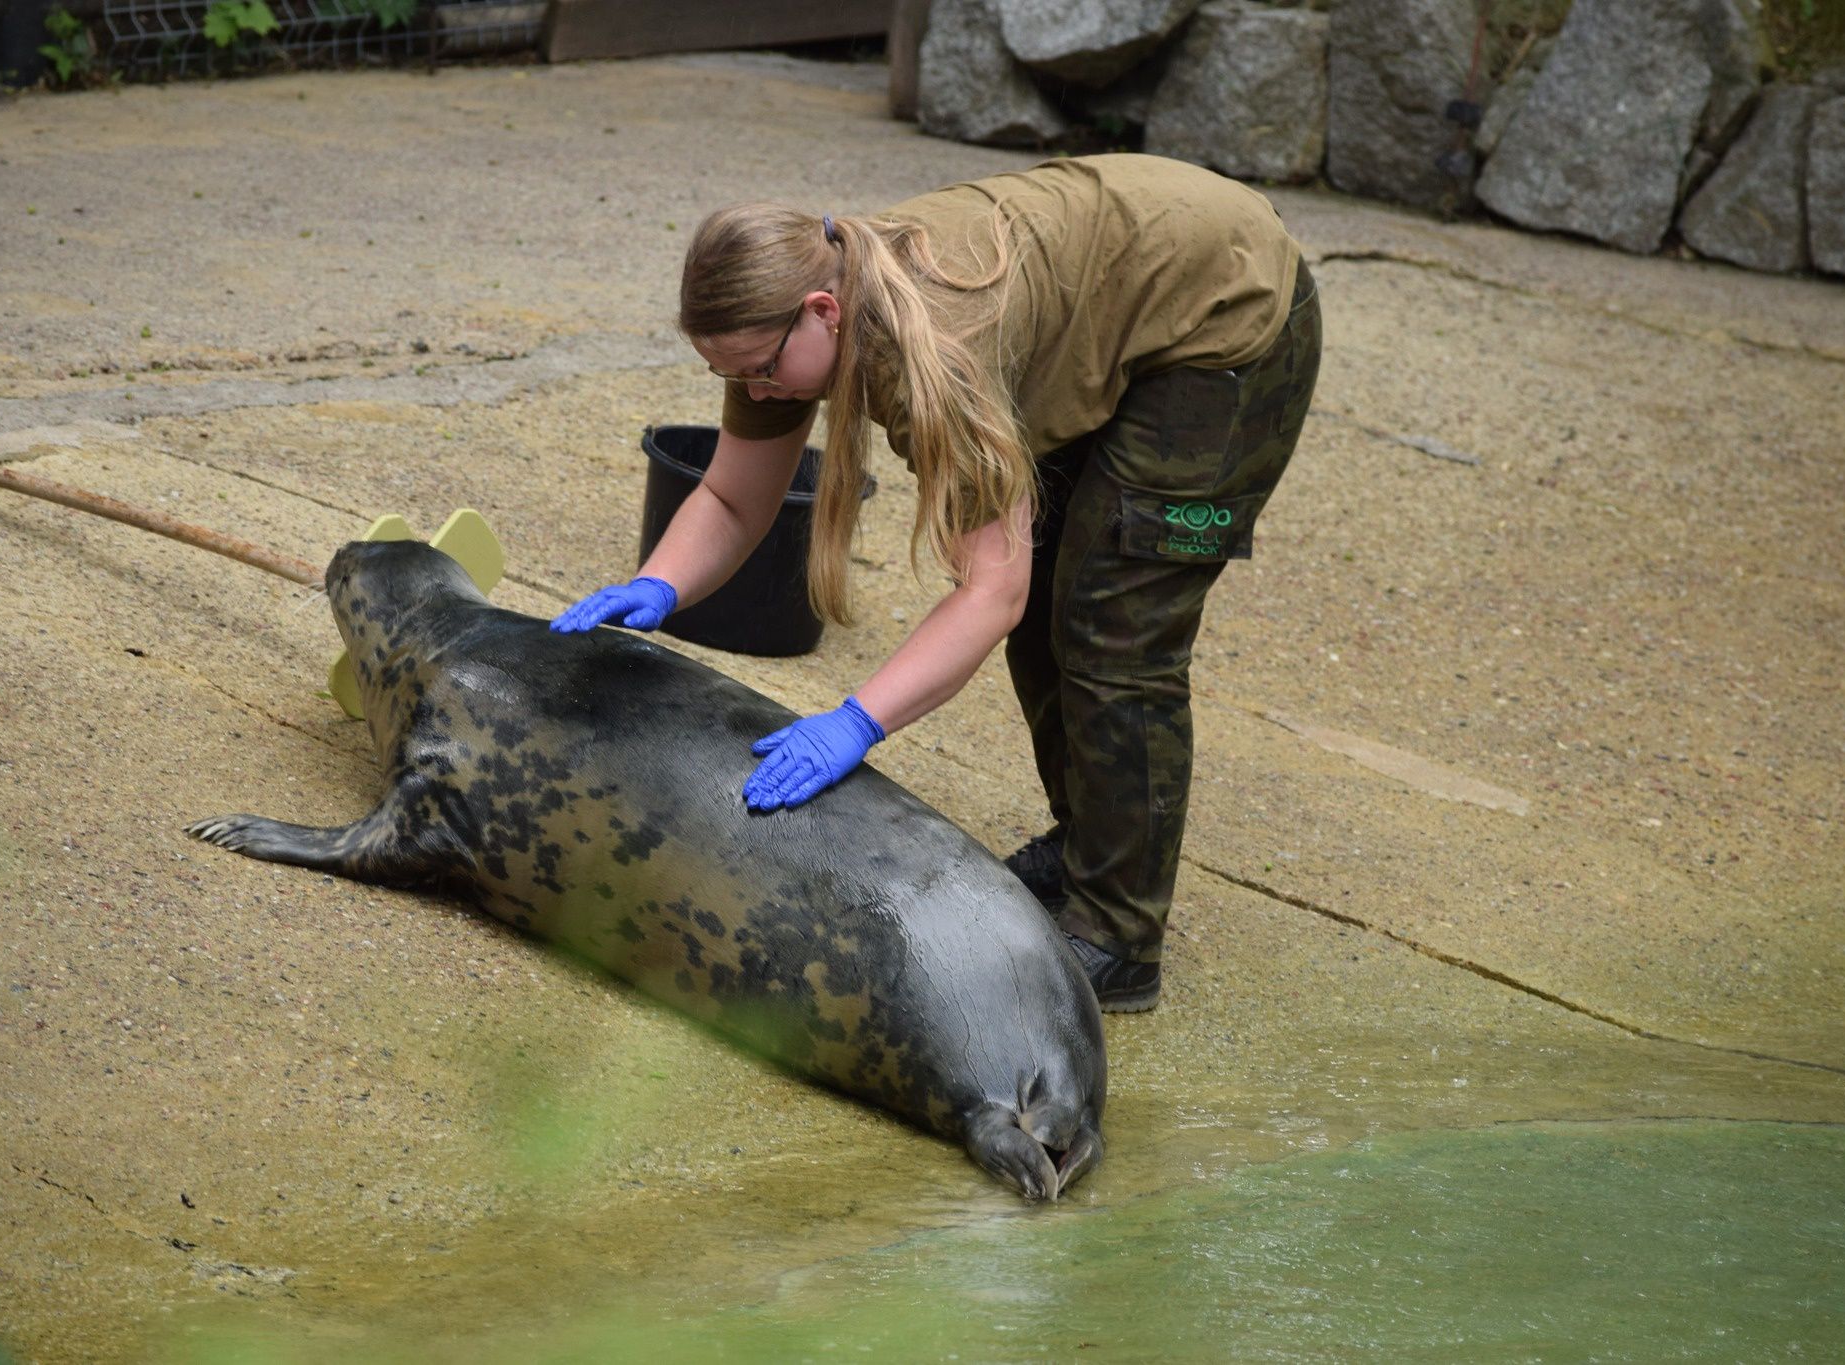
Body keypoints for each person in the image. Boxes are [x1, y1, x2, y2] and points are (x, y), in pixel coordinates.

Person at [551, 153, 1321, 1013]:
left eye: (758, 370)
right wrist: (657, 585)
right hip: (1128, 286)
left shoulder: (934, 359)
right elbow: (732, 497)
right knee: (1056, 610)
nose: (751, 391)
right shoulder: (788, 318)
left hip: (1226, 320)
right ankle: (1089, 851)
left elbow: (991, 590)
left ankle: (1120, 932)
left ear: (823, 312)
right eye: (728, 376)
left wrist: (855, 720)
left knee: (1114, 625)